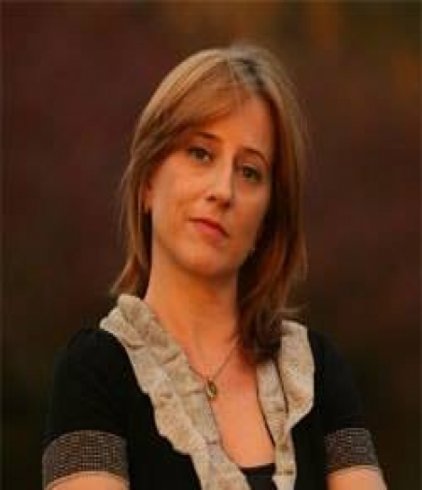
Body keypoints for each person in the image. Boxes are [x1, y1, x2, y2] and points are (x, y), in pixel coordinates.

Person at [42, 44, 387, 490]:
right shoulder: (93, 374)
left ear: (267, 218)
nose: (223, 190)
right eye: (201, 153)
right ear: (148, 181)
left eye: (249, 172)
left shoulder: (315, 372)